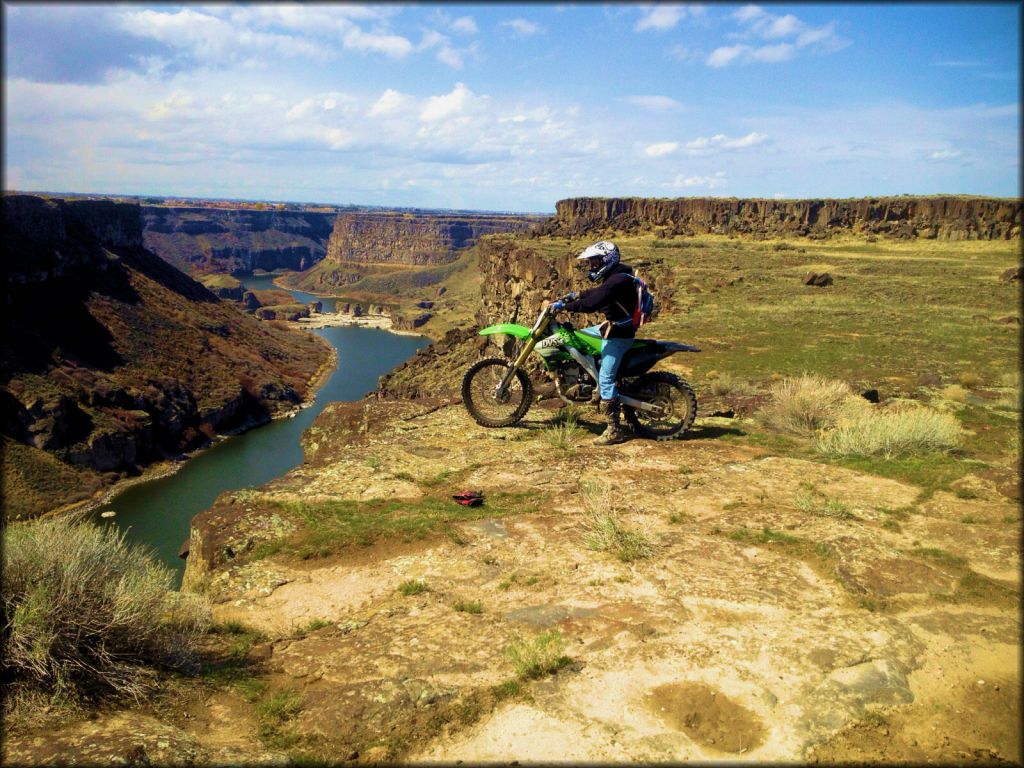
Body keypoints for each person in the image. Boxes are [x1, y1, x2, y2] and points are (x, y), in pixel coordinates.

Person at [548, 241, 637, 446]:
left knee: (606, 379)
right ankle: (591, 377)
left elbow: (594, 302)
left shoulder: (616, 281)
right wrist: (575, 294)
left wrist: (566, 306)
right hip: (611, 327)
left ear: (607, 259)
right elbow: (596, 293)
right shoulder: (615, 278)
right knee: (577, 338)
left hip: (619, 336)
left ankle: (614, 429)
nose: (592, 266)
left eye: (595, 262)